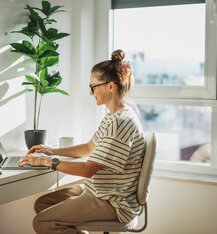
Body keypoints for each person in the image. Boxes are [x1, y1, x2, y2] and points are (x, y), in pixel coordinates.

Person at [19, 49, 146, 234]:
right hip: (98, 189)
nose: (91, 92)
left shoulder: (120, 122)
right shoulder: (112, 117)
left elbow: (88, 169)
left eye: (93, 87)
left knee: (42, 222)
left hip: (112, 200)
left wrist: (45, 162)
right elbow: (88, 148)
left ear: (110, 86)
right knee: (43, 204)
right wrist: (51, 151)